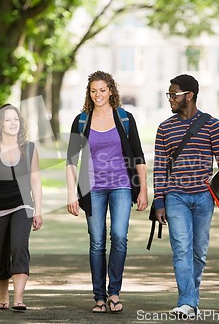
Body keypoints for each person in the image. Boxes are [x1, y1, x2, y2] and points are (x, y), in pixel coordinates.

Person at [153, 74, 219, 316]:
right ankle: (186, 301)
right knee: (181, 248)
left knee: (198, 252)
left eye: (174, 94)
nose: (170, 99)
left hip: (203, 198)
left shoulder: (212, 125)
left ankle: (191, 298)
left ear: (189, 96)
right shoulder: (165, 128)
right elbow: (159, 167)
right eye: (168, 94)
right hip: (176, 196)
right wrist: (160, 201)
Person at [66, 70, 148, 313]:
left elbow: (139, 156)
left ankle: (114, 293)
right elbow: (71, 160)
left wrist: (143, 189)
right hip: (93, 189)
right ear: (88, 93)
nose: (98, 94)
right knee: (97, 242)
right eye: (93, 91)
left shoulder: (125, 118)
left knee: (120, 237)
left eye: (102, 90)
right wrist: (71, 193)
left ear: (111, 91)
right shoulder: (81, 120)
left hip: (122, 184)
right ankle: (99, 297)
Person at [0, 104, 42, 311]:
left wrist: (38, 210)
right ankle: (3, 297)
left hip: (22, 206)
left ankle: (18, 299)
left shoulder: (29, 148)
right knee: (0, 252)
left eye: (16, 119)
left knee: (19, 246)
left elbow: (35, 181)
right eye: (7, 119)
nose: (13, 123)